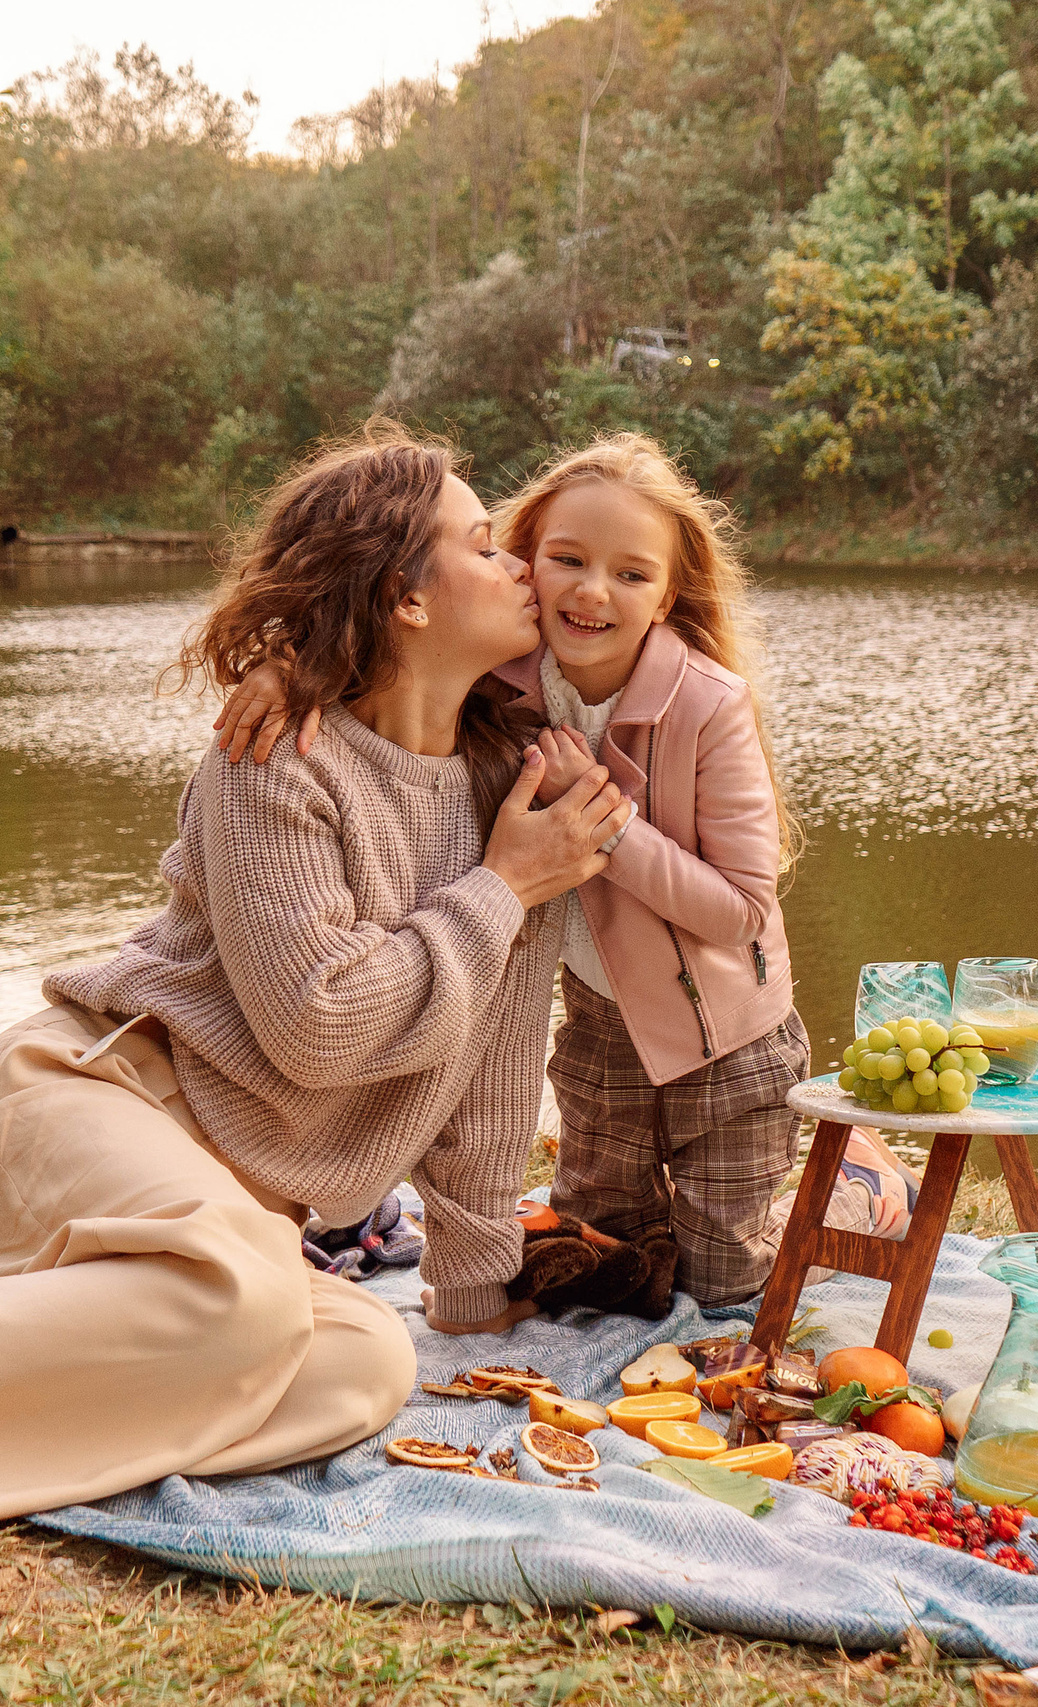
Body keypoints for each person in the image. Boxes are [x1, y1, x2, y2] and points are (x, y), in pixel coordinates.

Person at [0, 428, 634, 1604]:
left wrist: (475, 1286)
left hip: (185, 1249)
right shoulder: (273, 757)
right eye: (486, 544)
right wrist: (498, 887)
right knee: (245, 1299)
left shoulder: (519, 797)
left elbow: (490, 1072)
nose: (519, 569)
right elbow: (322, 1025)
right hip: (71, 1114)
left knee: (362, 1362)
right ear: (402, 595)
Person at [219, 433, 900, 1308]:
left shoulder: (707, 702)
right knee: (619, 1260)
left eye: (630, 573)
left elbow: (739, 909)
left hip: (725, 1040)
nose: (590, 591)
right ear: (524, 558)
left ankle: (862, 1188)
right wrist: (292, 671)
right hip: (598, 1032)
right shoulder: (498, 678)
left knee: (726, 1280)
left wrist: (601, 821)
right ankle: (667, 1216)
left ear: (667, 592)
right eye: (565, 559)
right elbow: (382, 632)